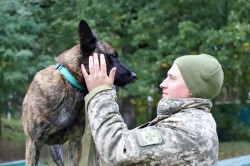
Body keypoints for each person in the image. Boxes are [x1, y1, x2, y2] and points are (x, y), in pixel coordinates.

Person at [81, 53, 224, 165]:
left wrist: (100, 93)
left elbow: (118, 149)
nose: (163, 84)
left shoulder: (189, 130)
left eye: (172, 78)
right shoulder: (189, 120)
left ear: (193, 89)